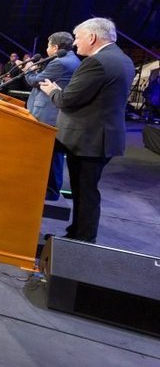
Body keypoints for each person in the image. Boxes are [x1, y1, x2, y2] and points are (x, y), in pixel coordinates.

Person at [40, 18, 135, 243]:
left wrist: (52, 90)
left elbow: (67, 99)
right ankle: (77, 235)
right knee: (84, 192)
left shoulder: (97, 62)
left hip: (89, 140)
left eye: (79, 38)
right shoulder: (123, 59)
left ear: (92, 37)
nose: (75, 45)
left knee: (85, 193)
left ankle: (82, 241)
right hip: (101, 137)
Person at [24, 31, 80, 201]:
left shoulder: (60, 63)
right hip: (54, 112)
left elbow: (36, 81)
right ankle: (48, 188)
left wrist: (28, 70)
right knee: (52, 154)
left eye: (48, 45)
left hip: (48, 114)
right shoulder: (69, 60)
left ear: (55, 47)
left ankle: (50, 191)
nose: (46, 48)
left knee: (52, 154)